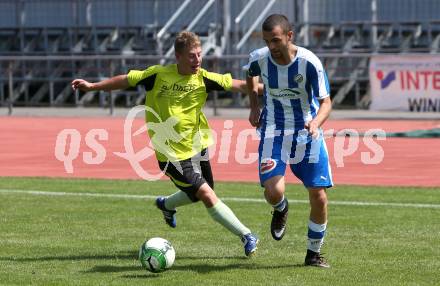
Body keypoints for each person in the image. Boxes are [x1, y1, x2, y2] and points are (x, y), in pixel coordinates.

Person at [72, 31, 259, 257]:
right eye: (192, 56)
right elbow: (126, 80)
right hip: (171, 154)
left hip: (197, 145)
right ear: (178, 57)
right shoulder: (158, 75)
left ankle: (167, 205)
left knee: (201, 192)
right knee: (207, 195)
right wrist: (93, 87)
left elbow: (239, 86)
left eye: (199, 55)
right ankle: (247, 235)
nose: (197, 60)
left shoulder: (203, 78)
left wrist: (273, 90)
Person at [245, 14, 333, 267]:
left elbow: (326, 102)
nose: (271, 46)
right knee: (273, 192)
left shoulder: (309, 63)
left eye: (275, 40)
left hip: (307, 135)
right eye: (266, 41)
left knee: (318, 196)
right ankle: (281, 208)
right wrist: (254, 106)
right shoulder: (259, 58)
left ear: (289, 36)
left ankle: (313, 253)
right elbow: (250, 75)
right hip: (273, 132)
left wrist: (316, 123)